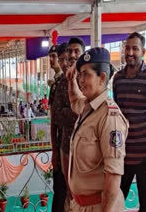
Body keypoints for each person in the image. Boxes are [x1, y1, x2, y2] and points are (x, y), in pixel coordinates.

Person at [67, 47, 128, 211]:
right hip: (81, 205)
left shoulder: (109, 116)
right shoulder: (87, 107)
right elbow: (74, 101)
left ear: (102, 78)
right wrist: (71, 80)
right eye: (80, 75)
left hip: (100, 206)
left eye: (86, 74)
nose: (81, 80)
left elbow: (113, 175)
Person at [113, 32, 146, 212]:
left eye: (135, 48)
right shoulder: (117, 79)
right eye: (128, 48)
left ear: (143, 51)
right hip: (122, 154)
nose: (130, 52)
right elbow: (117, 114)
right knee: (116, 201)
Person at [49, 43, 78, 212]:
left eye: (67, 59)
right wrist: (54, 151)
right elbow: (55, 119)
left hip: (82, 149)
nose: (65, 63)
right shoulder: (57, 85)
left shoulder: (83, 82)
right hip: (63, 145)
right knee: (60, 193)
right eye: (62, 59)